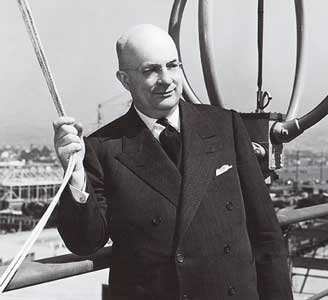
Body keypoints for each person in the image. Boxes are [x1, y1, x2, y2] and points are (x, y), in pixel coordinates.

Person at [54, 24, 293, 300]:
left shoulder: (226, 125)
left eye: (173, 65)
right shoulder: (101, 148)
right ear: (124, 80)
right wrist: (74, 174)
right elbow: (85, 242)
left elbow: (267, 236)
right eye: (150, 70)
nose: (166, 79)